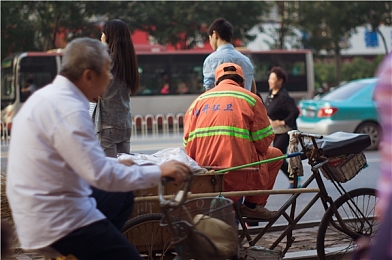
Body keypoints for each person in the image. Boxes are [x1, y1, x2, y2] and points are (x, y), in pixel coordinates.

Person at [6, 37, 191, 260]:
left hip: (38, 211)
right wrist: (159, 171)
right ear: (89, 75)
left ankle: (99, 244)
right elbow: (100, 175)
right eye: (107, 71)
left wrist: (118, 162)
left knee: (122, 195)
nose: (111, 77)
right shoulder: (70, 109)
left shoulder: (47, 98)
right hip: (58, 221)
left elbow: (83, 161)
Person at [184, 62, 283, 220]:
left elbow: (187, 144)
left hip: (203, 175)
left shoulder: (197, 102)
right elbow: (263, 144)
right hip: (237, 175)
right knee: (276, 155)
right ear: (242, 82)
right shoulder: (251, 99)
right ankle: (253, 206)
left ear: (217, 81)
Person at [93, 19, 139, 158]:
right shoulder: (129, 62)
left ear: (109, 36)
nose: (101, 37)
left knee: (109, 172)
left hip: (107, 124)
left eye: (103, 34)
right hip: (125, 123)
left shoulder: (105, 61)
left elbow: (92, 89)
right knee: (124, 170)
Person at [264, 66, 300, 188]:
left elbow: (295, 112)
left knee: (277, 156)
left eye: (272, 79)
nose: (270, 81)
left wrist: (282, 122)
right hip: (275, 132)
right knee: (277, 157)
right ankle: (293, 177)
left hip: (286, 131)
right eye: (269, 78)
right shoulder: (271, 95)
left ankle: (293, 178)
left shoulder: (284, 97)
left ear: (280, 81)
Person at [203, 18, 256, 93]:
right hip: (243, 104)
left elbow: (209, 91)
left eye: (210, 38)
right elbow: (252, 91)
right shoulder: (246, 61)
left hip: (220, 104)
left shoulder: (211, 60)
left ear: (215, 34)